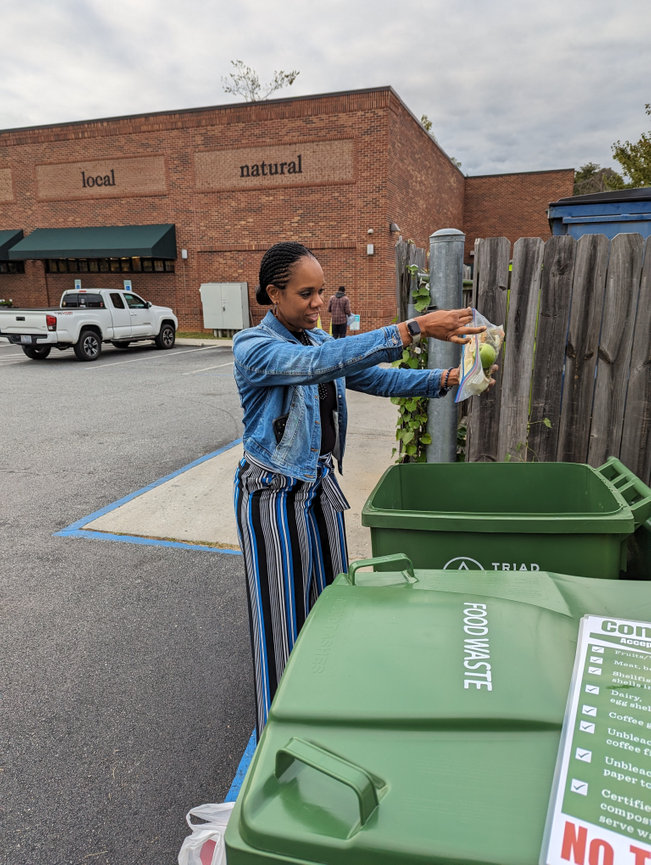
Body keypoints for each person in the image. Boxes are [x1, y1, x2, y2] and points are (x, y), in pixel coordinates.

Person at [232, 241, 489, 735]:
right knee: (281, 626)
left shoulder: (313, 343)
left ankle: (326, 715)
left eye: (322, 292)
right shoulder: (255, 348)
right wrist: (412, 328)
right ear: (274, 294)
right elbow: (320, 365)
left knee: (330, 609)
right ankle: (280, 748)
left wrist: (448, 378)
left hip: (318, 488)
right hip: (273, 496)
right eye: (306, 293)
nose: (319, 303)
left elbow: (370, 376)